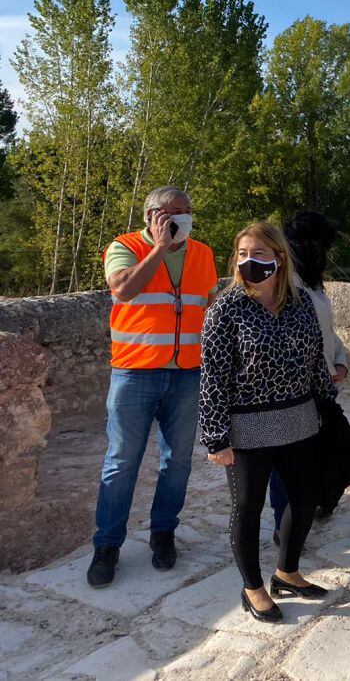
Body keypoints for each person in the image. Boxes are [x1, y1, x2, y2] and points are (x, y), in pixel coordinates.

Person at [200, 221, 335, 622]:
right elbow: (212, 377)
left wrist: (329, 408)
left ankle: (287, 572)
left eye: (258, 254)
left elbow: (315, 361)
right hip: (247, 428)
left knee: (305, 500)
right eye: (242, 254)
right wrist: (215, 437)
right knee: (248, 507)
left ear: (279, 258)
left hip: (298, 420)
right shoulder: (226, 309)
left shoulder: (300, 302)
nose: (248, 262)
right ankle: (253, 587)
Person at [87, 186, 218, 588]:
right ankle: (107, 546)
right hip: (135, 372)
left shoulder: (202, 253)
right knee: (122, 461)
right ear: (150, 216)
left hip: (187, 373)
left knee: (177, 460)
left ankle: (163, 534)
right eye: (171, 212)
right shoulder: (123, 246)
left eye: (187, 211)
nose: (181, 218)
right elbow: (124, 288)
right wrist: (159, 249)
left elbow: (209, 308)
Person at [266, 212, 350, 544]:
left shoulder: (313, 283)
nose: (323, 253)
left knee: (318, 454)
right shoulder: (283, 286)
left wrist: (339, 362)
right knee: (285, 462)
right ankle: (281, 525)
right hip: (296, 390)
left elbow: (326, 333)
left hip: (321, 387)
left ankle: (312, 505)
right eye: (318, 245)